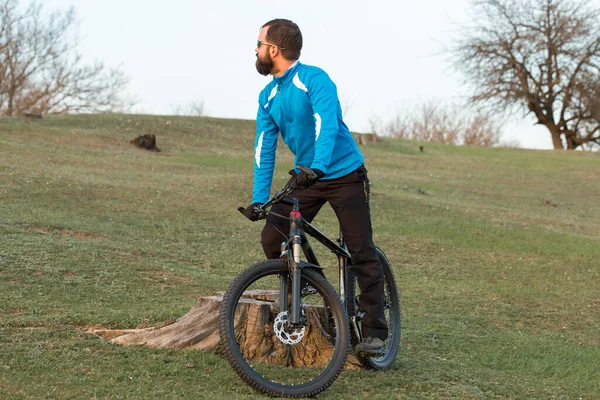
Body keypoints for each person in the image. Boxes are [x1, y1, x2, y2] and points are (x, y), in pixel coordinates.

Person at [242, 18, 388, 354]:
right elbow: (263, 149)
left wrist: (319, 166)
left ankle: (375, 331)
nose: (256, 49)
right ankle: (313, 286)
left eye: (259, 43)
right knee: (271, 237)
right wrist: (258, 200)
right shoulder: (268, 96)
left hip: (343, 173)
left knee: (360, 251)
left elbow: (327, 124)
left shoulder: (314, 79)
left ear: (274, 49)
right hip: (305, 178)